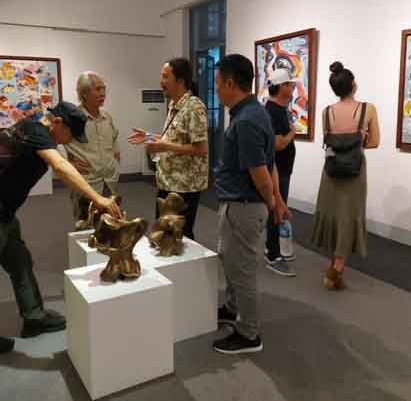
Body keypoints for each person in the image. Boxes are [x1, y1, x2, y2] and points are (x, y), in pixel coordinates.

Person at [0, 101, 121, 356]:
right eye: (70, 135)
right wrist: (98, 198)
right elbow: (59, 166)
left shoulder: (35, 129)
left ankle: (34, 318)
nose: (70, 141)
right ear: (57, 122)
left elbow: (46, 161)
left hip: (2, 212)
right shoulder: (36, 130)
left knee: (20, 262)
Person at [213, 54, 290, 355]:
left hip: (244, 206)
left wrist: (272, 203)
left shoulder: (246, 120)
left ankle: (249, 334)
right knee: (230, 260)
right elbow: (270, 163)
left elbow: (260, 173)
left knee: (242, 269)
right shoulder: (256, 112)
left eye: (218, 84)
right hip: (240, 204)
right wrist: (277, 200)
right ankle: (233, 308)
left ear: (231, 84)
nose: (216, 90)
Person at [311, 61, 380, 290]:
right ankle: (337, 268)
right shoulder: (368, 109)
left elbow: (329, 140)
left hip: (331, 170)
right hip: (355, 170)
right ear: (353, 85)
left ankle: (335, 264)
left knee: (333, 213)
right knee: (350, 215)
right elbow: (374, 142)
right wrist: (359, 141)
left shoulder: (326, 112)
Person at [128, 58, 208, 240]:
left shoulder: (194, 107)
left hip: (184, 187)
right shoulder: (174, 105)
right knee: (164, 234)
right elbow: (174, 138)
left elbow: (201, 148)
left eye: (165, 77)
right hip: (168, 182)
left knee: (180, 237)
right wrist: (149, 136)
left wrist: (163, 146)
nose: (161, 81)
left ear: (180, 80)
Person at [64, 72, 120, 228]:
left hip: (109, 182)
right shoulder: (72, 117)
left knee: (109, 225)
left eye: (104, 88)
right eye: (97, 89)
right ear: (84, 93)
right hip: (86, 184)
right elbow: (54, 142)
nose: (103, 93)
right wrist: (68, 164)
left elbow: (114, 139)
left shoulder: (107, 116)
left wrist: (115, 160)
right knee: (86, 227)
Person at [264, 68, 298, 277]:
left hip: (283, 169)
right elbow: (278, 144)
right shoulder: (272, 112)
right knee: (276, 209)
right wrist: (293, 132)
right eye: (289, 84)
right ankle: (273, 254)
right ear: (281, 87)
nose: (292, 87)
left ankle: (273, 247)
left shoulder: (278, 109)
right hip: (277, 171)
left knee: (277, 208)